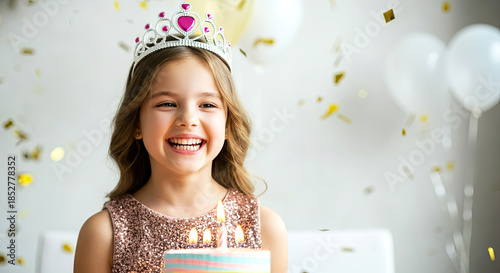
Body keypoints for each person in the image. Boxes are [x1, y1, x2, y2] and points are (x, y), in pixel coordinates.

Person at [74, 2, 287, 273]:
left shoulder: (265, 228)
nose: (188, 119)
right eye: (166, 104)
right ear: (136, 123)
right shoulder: (104, 234)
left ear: (227, 125)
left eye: (207, 105)